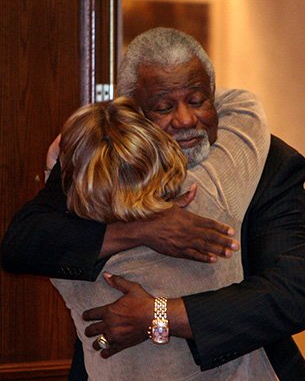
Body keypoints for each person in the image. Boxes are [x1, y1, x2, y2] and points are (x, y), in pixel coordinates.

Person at [1, 27, 305, 380]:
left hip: (249, 365)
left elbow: (291, 296)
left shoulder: (270, 164)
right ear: (131, 112)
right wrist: (141, 231)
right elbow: (23, 243)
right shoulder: (101, 158)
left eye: (197, 101)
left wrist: (158, 316)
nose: (184, 120)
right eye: (164, 108)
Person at [51, 86, 275, 380]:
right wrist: (187, 100)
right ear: (161, 150)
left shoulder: (64, 255)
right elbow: (245, 107)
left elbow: (54, 170)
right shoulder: (207, 198)